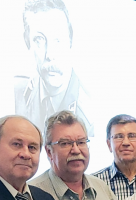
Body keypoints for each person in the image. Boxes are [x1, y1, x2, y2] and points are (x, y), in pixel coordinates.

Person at [15, 0, 93, 136]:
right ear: (27, 41)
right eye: (39, 40)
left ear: (70, 39)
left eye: (57, 40)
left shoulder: (90, 110)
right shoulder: (18, 93)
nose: (50, 55)